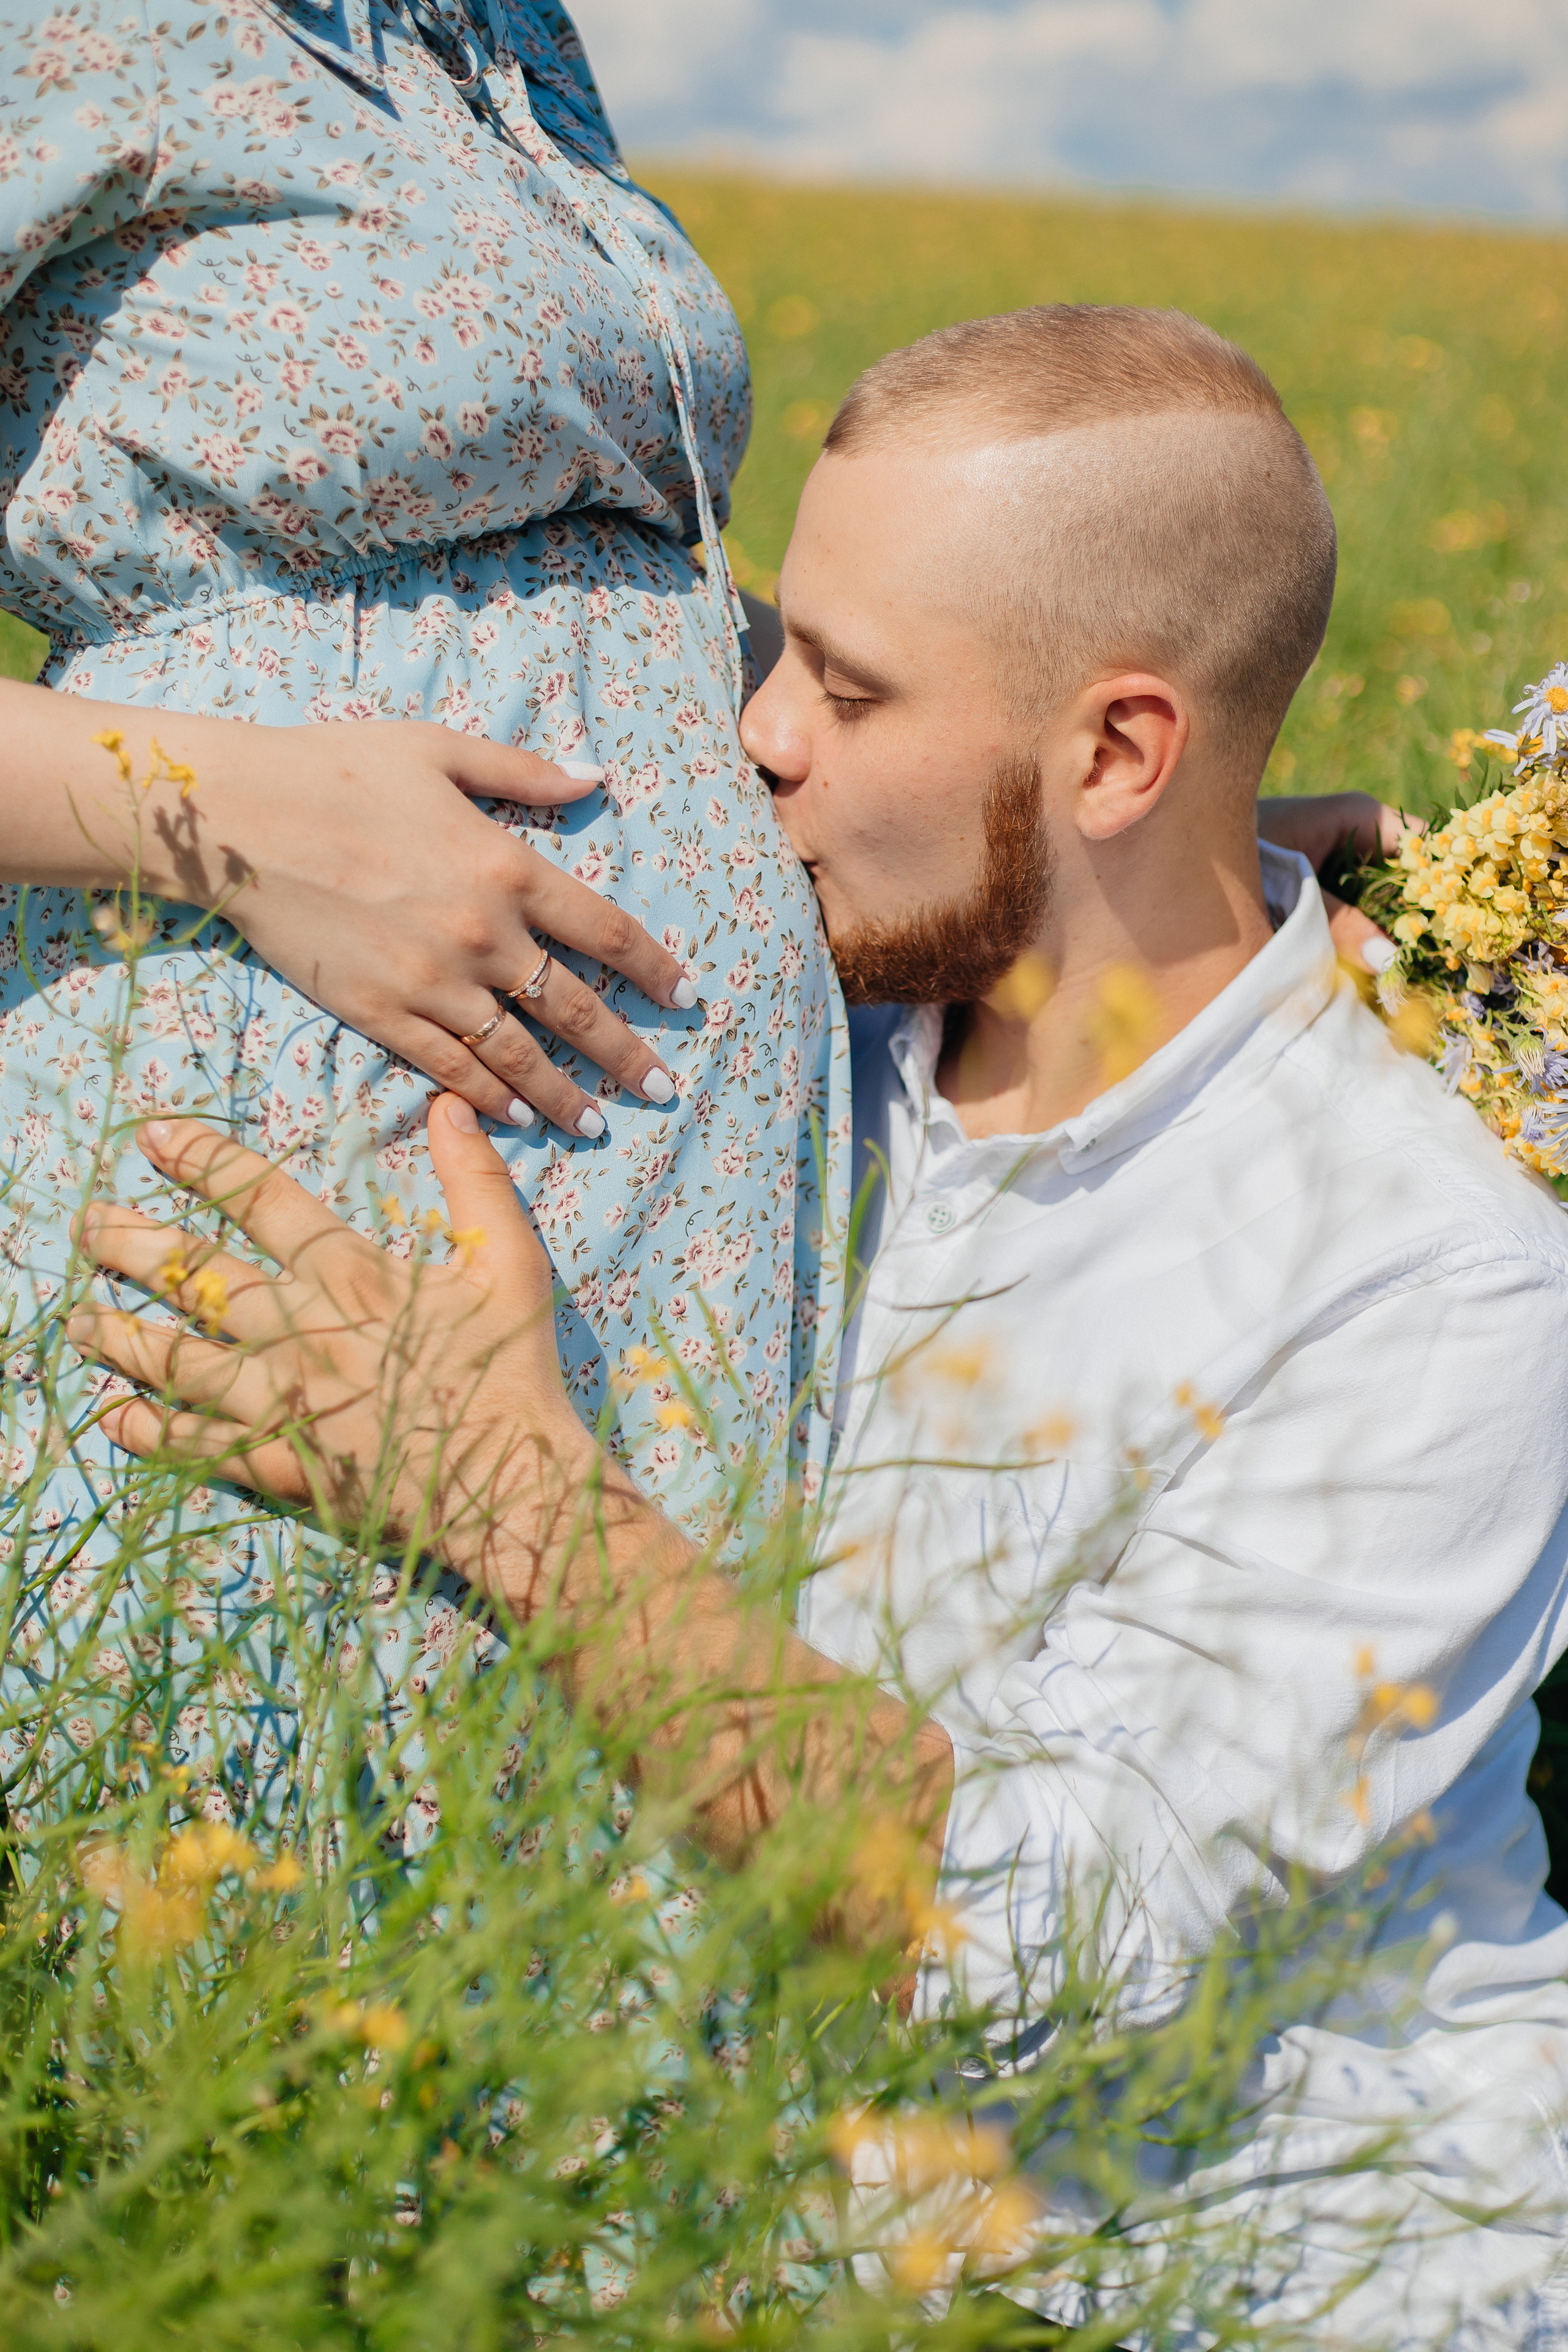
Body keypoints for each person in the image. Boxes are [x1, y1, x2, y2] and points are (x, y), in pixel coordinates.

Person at [70, 302, 1568, 2347]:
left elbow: (1015, 1942)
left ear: (1122, 752)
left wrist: (500, 1493)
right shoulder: (816, 1027)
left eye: (848, 692)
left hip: (1269, 2288)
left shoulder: (1425, 1272)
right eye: (774, 645)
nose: (758, 732)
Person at [0, 0, 848, 1832]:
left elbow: (608, 583)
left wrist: (1175, 847)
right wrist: (230, 818)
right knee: (302, 1927)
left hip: (670, 1200)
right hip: (313, 1110)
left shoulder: (497, 32)